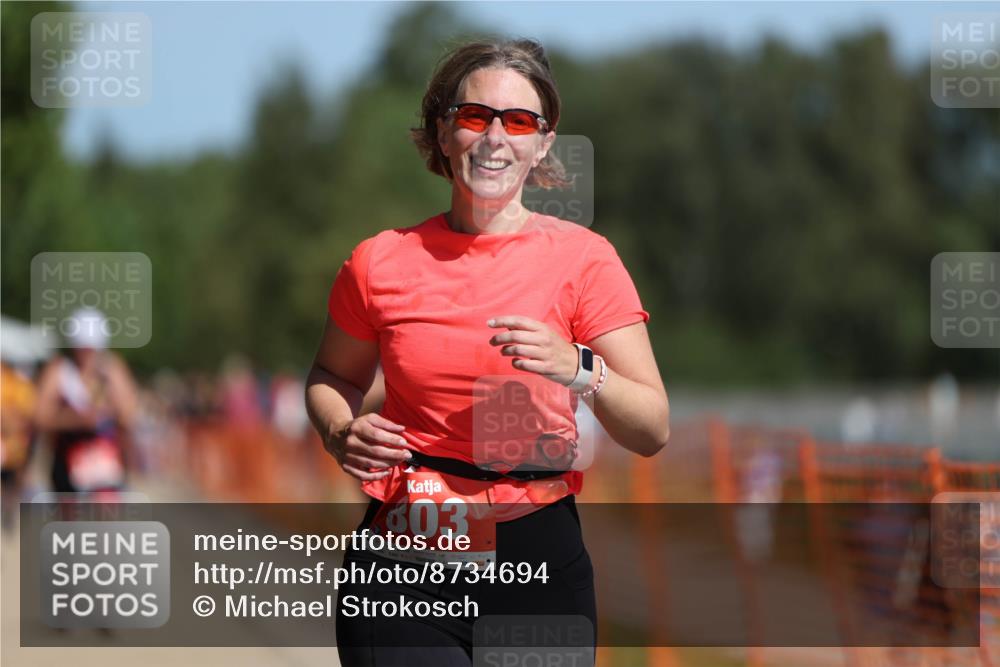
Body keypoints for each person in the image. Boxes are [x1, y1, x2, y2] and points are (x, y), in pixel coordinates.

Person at [305, 38, 670, 666]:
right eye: (475, 116)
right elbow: (330, 375)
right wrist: (341, 430)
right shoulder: (380, 262)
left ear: (543, 144)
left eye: (519, 121)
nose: (495, 137)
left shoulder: (585, 260)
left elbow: (652, 429)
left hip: (538, 554)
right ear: (443, 134)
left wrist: (578, 368)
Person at [34, 307, 139, 496]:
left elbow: (129, 414)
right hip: (67, 468)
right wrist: (74, 419)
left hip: (106, 469)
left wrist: (109, 399)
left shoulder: (112, 369)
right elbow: (40, 416)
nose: (87, 354)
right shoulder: (59, 371)